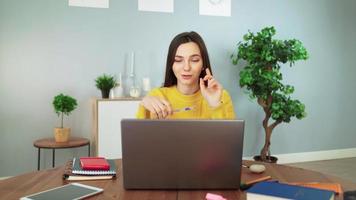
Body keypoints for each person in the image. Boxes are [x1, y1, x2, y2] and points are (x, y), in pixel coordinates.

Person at [136, 31, 236, 119]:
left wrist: (215, 106)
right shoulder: (156, 96)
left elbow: (228, 139)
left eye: (194, 60)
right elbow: (137, 138)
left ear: (203, 65)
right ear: (171, 64)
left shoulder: (221, 97)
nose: (186, 67)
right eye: (178, 60)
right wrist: (143, 106)